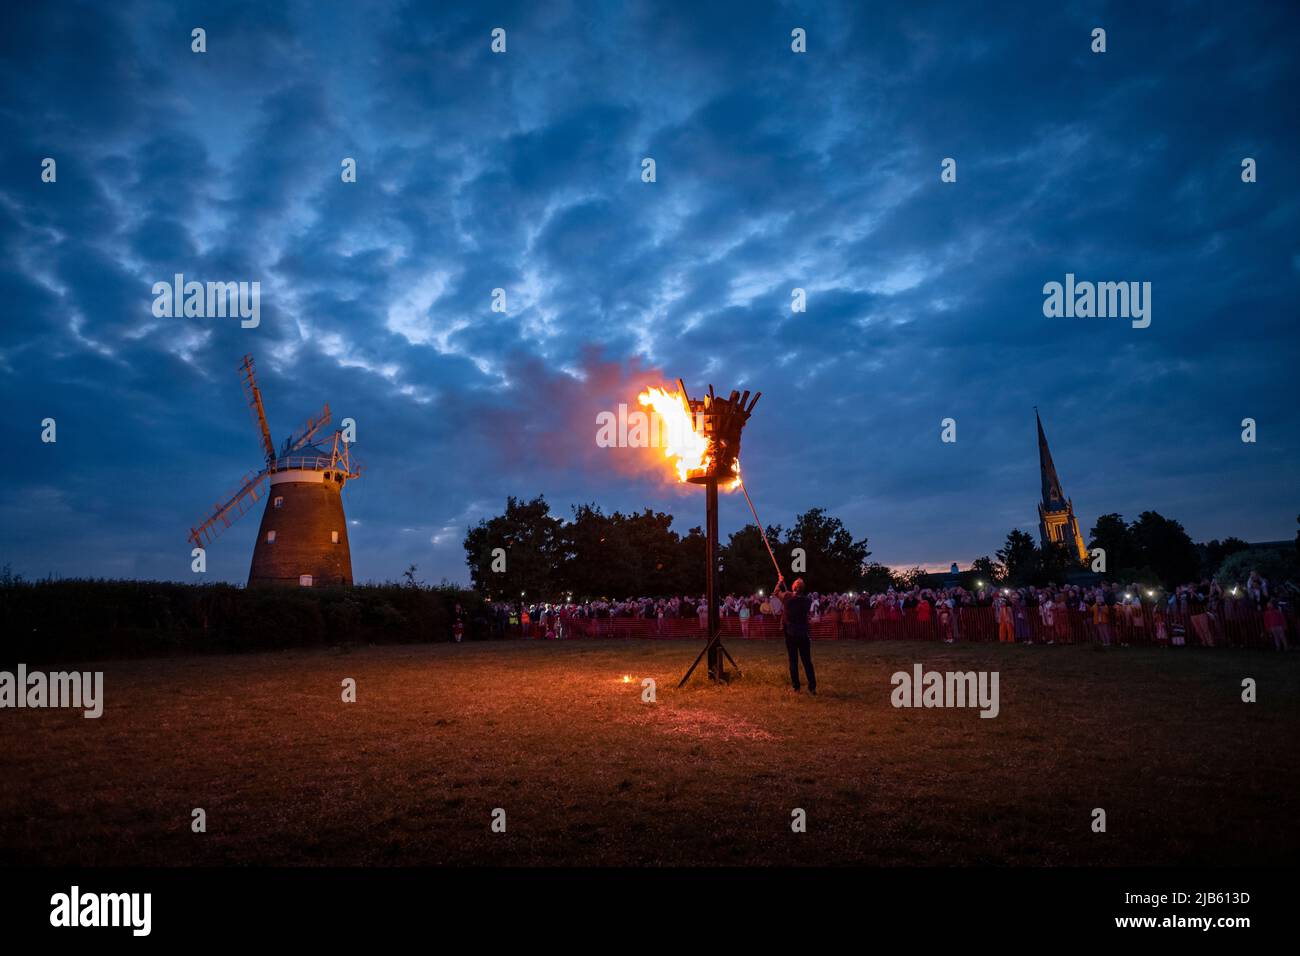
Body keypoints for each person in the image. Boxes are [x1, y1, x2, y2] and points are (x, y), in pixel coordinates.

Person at [775, 575, 816, 694]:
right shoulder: (807, 601)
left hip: (791, 633)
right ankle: (812, 687)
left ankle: (796, 687)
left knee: (793, 661)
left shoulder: (787, 597)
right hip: (803, 633)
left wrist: (780, 581)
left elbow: (776, 592)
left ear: (794, 587)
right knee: (807, 661)